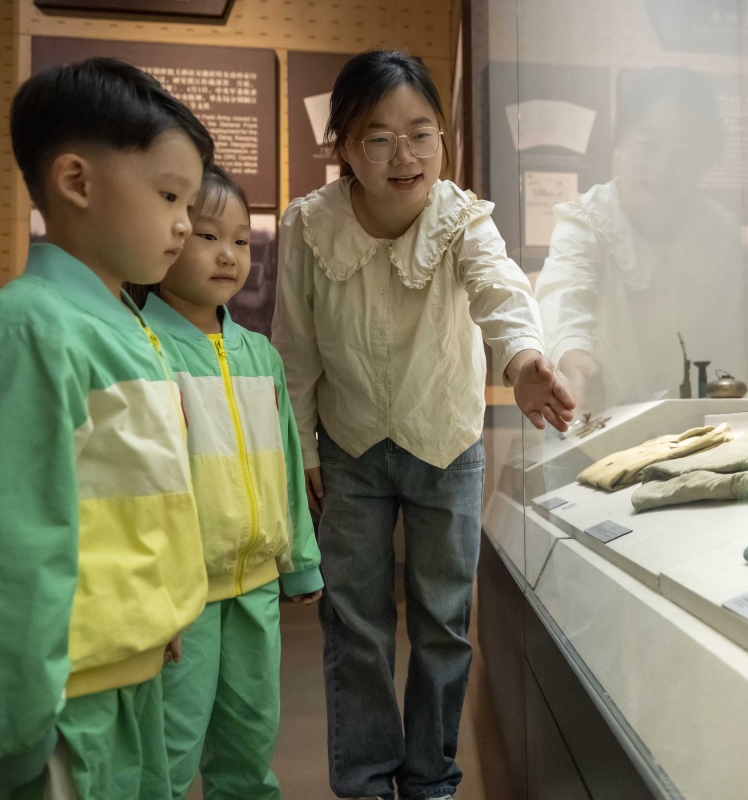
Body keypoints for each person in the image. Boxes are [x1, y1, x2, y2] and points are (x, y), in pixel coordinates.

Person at [272, 49, 574, 800]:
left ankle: (431, 778)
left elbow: (500, 290)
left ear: (443, 137)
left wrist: (524, 360)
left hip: (446, 444)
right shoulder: (310, 225)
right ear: (343, 146)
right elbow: (295, 348)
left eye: (421, 134)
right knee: (356, 623)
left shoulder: (460, 218)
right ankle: (366, 781)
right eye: (378, 138)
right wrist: (302, 448)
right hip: (347, 447)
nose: (404, 156)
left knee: (443, 620)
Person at [0, 58, 213, 799]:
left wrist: (157, 610)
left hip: (130, 675)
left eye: (188, 202)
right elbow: (10, 544)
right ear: (76, 181)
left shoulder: (121, 326)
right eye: (168, 195)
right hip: (66, 703)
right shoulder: (34, 329)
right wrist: (10, 733)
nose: (184, 223)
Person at [136, 164, 324, 799]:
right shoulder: (145, 349)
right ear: (166, 236)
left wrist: (300, 562)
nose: (228, 255)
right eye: (208, 236)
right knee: (169, 746)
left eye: (242, 240)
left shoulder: (260, 355)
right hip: (182, 597)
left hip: (256, 588)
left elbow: (287, 467)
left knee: (250, 740)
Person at [535, 66, 747, 413]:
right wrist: (574, 355)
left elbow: (726, 338)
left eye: (685, 150)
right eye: (648, 144)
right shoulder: (585, 220)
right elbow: (563, 295)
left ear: (706, 159)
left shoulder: (719, 232)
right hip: (594, 414)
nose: (663, 167)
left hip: (688, 420)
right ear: (619, 145)